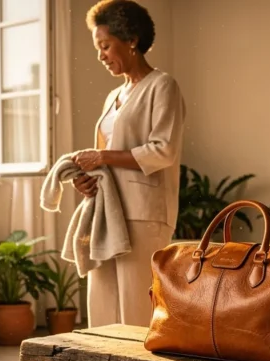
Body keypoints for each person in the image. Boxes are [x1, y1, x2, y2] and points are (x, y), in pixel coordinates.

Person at [71, 0, 186, 328]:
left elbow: (163, 150)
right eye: (98, 47)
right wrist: (88, 179)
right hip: (108, 211)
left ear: (131, 40)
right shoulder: (113, 97)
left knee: (137, 309)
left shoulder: (163, 86)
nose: (100, 55)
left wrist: (103, 157)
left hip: (144, 213)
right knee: (102, 302)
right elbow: (103, 155)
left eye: (105, 45)